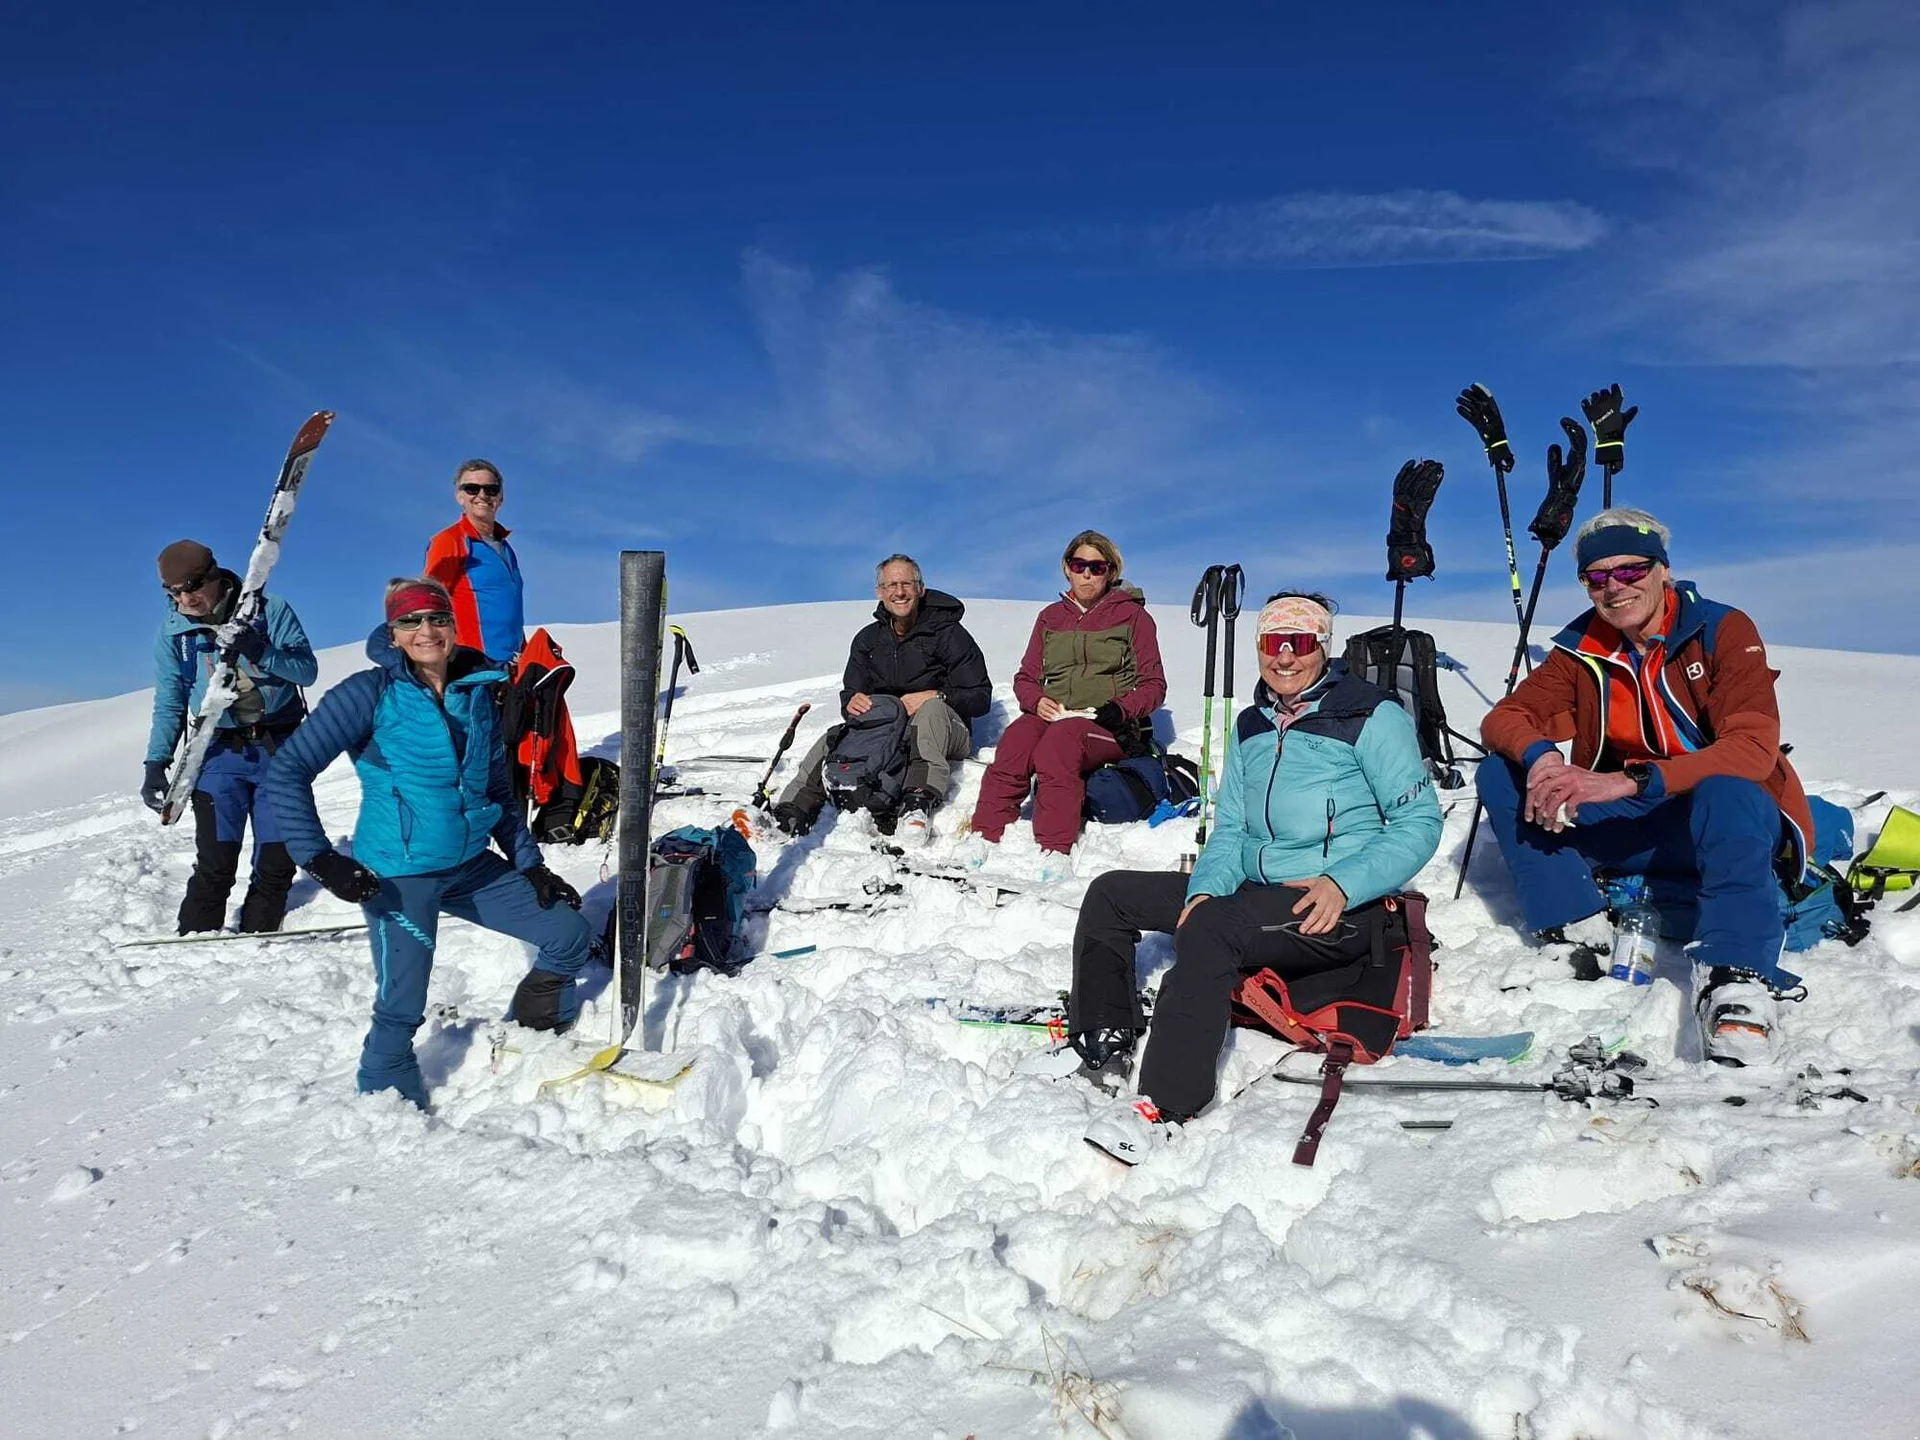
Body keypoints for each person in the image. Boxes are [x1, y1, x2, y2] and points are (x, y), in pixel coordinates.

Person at [1079, 592, 1443, 1163]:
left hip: (1333, 903)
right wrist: (1204, 890)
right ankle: (1105, 1037)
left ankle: (1167, 1105)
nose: (1285, 657)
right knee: (1112, 894)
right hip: (1253, 891)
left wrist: (1344, 883)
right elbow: (1231, 828)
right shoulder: (1252, 724)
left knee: (1214, 928)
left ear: (1323, 646)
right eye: (1274, 643)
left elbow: (1418, 822)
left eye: (1300, 643)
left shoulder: (1371, 716)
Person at [1475, 507, 1815, 1066]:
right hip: (1637, 825)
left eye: (1631, 570)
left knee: (1727, 787)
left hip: (1717, 820)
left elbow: (1753, 749)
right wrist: (1542, 758)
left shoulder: (1721, 630)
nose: (1615, 587)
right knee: (1500, 770)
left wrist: (1628, 780)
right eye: (1597, 577)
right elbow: (1504, 718)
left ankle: (1736, 979)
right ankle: (1575, 929)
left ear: (1663, 570)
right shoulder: (1583, 647)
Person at [263, 577, 591, 1108]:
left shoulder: (478, 692)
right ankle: (385, 1094)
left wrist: (531, 866)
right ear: (392, 633)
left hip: (470, 865)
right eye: (410, 621)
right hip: (400, 872)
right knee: (402, 1003)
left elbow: (498, 790)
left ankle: (535, 1030)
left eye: (437, 618)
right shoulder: (367, 693)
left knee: (568, 933)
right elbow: (288, 770)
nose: (426, 630)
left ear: (454, 625)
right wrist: (320, 857)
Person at [143, 539, 318, 934]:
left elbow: (306, 671)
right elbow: (170, 701)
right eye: (173, 592)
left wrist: (259, 649)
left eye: (191, 587)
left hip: (281, 748)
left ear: (215, 576)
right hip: (218, 752)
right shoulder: (175, 634)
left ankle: (258, 937)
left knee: (277, 858)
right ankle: (194, 941)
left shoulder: (270, 611)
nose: (184, 600)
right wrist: (156, 762)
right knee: (216, 860)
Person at [966, 531, 1165, 870]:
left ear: (1110, 572)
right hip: (1054, 714)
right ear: (1067, 569)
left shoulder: (1132, 617)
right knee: (1016, 740)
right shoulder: (1050, 617)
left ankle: (1054, 849)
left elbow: (1154, 684)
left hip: (1106, 724)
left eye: (1096, 567)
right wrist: (1036, 700)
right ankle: (984, 835)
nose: (1086, 574)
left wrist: (1120, 710)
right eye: (1078, 565)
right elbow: (1026, 677)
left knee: (1060, 743)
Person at [772, 554, 991, 844]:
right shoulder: (868, 640)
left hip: (948, 730)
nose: (899, 592)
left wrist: (936, 695)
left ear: (920, 588)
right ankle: (790, 813)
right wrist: (852, 701)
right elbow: (851, 693)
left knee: (931, 711)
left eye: (907, 584)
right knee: (836, 737)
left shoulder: (949, 634)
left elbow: (980, 696)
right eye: (891, 585)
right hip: (893, 730)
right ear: (879, 592)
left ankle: (916, 806)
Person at [424, 459, 525, 664]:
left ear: (501, 497)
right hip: (472, 667)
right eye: (472, 488)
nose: (482, 495)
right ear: (460, 497)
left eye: (491, 489)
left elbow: (509, 610)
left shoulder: (505, 547)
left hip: (511, 665)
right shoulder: (450, 540)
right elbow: (428, 603)